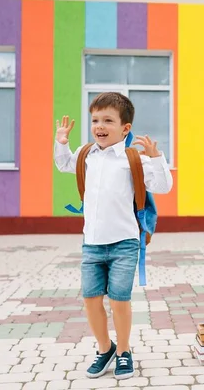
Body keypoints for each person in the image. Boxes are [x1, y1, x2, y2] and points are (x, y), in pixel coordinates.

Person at [54, 92, 173, 379]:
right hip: (92, 243)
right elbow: (64, 164)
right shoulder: (86, 155)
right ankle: (105, 348)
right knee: (91, 299)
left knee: (119, 300)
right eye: (95, 120)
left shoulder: (133, 159)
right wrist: (61, 143)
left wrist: (156, 158)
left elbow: (164, 185)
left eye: (108, 120)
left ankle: (124, 351)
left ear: (125, 128)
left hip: (124, 242)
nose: (100, 125)